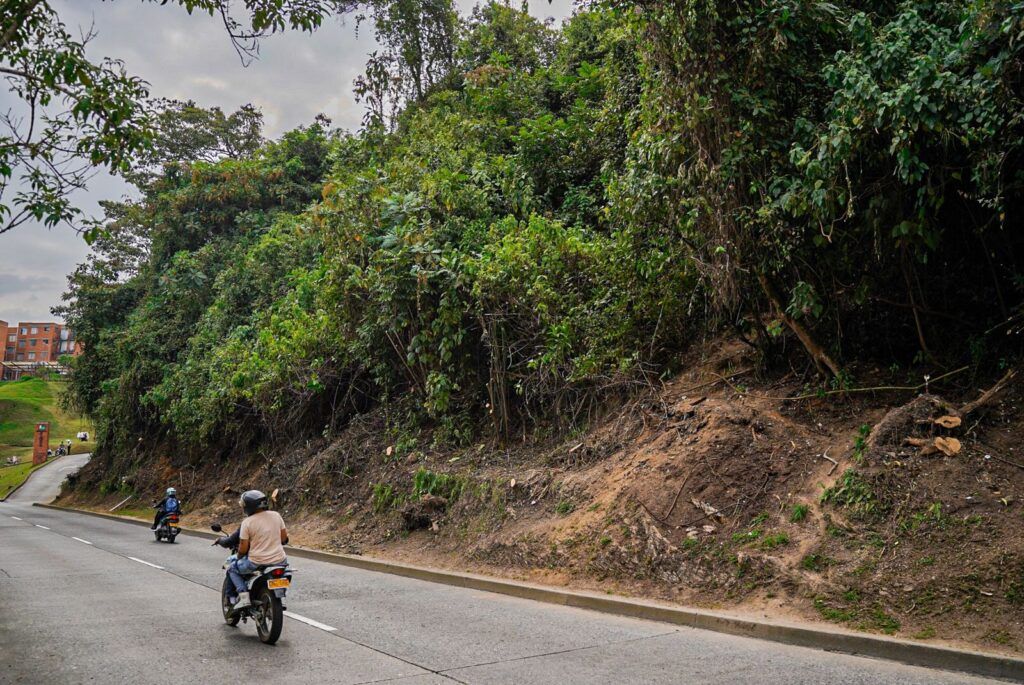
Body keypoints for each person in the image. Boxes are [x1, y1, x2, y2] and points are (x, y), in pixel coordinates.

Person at [226, 490, 288, 611]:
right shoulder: (276, 515)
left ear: (248, 507)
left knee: (232, 568)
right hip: (280, 560)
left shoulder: (247, 522)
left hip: (256, 562)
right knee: (285, 572)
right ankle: (281, 596)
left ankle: (244, 597)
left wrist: (239, 556)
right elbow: (284, 538)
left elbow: (243, 548)